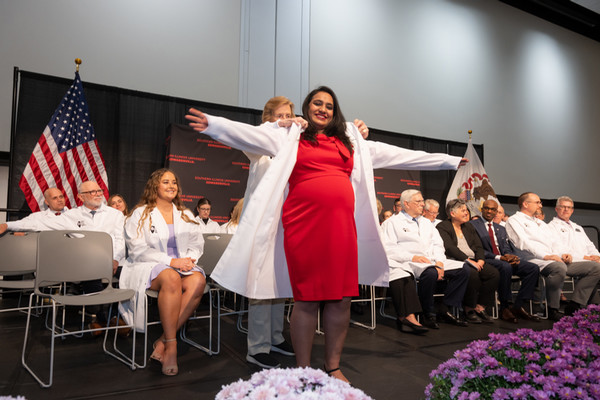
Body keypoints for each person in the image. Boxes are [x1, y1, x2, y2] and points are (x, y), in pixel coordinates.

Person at [185, 86, 466, 382]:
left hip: (342, 228)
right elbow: (253, 136)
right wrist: (214, 125)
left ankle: (333, 365)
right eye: (316, 103)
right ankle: (304, 369)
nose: (323, 109)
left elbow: (396, 155)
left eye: (329, 105)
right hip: (302, 225)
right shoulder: (291, 136)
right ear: (306, 109)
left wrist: (445, 161)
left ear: (335, 111)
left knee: (341, 299)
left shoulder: (350, 141)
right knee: (306, 299)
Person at [119, 168, 206, 376]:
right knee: (171, 277)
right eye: (165, 182)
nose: (171, 186)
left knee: (198, 281)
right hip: (149, 264)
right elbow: (138, 249)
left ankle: (163, 341)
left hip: (181, 263)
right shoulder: (141, 213)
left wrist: (189, 259)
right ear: (154, 186)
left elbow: (196, 243)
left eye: (174, 182)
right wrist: (171, 261)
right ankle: (172, 347)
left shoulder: (185, 214)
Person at [382, 190, 470, 331]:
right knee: (430, 273)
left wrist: (440, 262)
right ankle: (427, 313)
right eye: (418, 201)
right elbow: (388, 248)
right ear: (406, 203)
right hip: (408, 261)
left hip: (432, 260)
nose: (423, 204)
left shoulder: (427, 223)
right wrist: (412, 257)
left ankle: (444, 308)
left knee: (464, 269)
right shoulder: (392, 223)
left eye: (422, 201)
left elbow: (438, 245)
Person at [506, 192, 600, 321]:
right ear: (526, 204)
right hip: (532, 260)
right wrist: (546, 256)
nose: (541, 205)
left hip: (553, 259)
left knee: (595, 267)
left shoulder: (541, 224)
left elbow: (554, 243)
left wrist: (562, 254)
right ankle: (552, 309)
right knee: (559, 267)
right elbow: (522, 243)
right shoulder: (514, 220)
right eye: (538, 202)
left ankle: (575, 304)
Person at [469, 199, 540, 323]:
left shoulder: (500, 228)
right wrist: (500, 258)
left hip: (503, 260)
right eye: (487, 208)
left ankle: (518, 305)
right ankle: (504, 307)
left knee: (533, 268)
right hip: (486, 260)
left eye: (493, 209)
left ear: (497, 212)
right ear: (482, 210)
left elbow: (506, 247)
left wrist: (510, 256)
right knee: (505, 267)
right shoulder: (473, 225)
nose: (490, 211)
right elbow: (475, 249)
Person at [437, 199, 500, 324]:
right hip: (456, 260)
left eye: (467, 210)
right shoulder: (443, 226)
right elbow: (449, 248)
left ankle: (480, 307)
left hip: (475, 260)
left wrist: (481, 260)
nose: (467, 213)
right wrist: (467, 260)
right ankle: (468, 308)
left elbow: (478, 246)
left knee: (493, 273)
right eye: (463, 211)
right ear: (452, 213)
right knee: (472, 273)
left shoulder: (469, 226)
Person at [547, 195, 600, 314]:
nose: (566, 210)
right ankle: (575, 304)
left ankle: (595, 306)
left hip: (586, 262)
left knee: (596, 266)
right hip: (567, 263)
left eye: (569, 207)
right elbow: (558, 249)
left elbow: (590, 245)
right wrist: (584, 258)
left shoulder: (578, 227)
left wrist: (596, 256)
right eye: (563, 207)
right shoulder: (551, 227)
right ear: (556, 209)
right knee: (596, 268)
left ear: (572, 210)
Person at [0, 188, 68, 233]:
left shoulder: (73, 214)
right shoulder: (37, 216)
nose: (59, 200)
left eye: (61, 197)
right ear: (47, 202)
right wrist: (6, 225)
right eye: (55, 198)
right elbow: (23, 224)